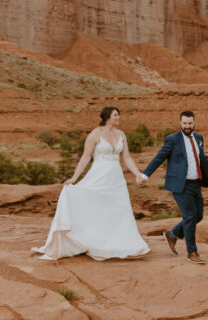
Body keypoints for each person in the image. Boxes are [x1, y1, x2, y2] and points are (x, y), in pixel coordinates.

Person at [33, 106, 150, 261]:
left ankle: (123, 244)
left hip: (116, 179)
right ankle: (90, 241)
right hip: (98, 176)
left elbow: (127, 158)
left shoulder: (121, 134)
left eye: (118, 115)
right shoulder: (96, 134)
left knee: (118, 210)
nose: (118, 118)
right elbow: (86, 157)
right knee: (94, 206)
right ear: (108, 117)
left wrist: (138, 174)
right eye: (116, 115)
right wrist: (74, 178)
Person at [139, 110, 208, 265]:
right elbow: (159, 158)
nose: (187, 126)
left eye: (190, 123)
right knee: (190, 217)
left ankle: (172, 235)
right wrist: (145, 175)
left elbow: (199, 156)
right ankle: (192, 252)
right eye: (184, 123)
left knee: (198, 216)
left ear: (194, 123)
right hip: (181, 185)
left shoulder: (199, 138)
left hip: (195, 184)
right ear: (180, 123)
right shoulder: (172, 139)